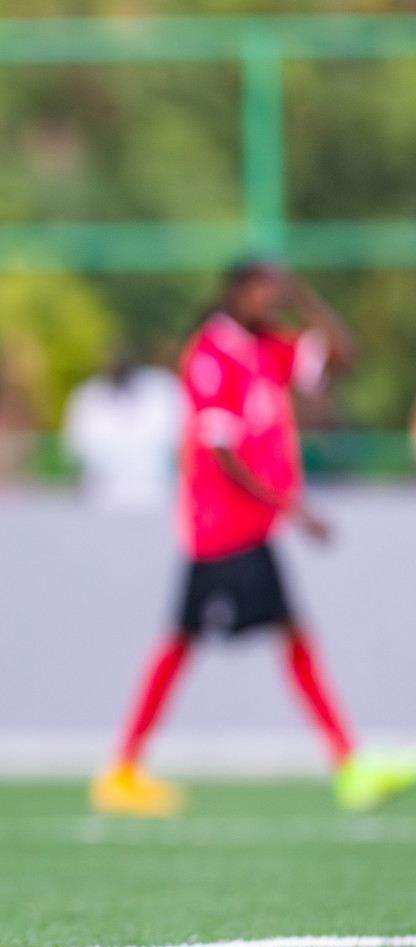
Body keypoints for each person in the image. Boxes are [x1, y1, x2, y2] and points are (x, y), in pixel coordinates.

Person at [91, 263, 414, 817]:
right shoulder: (212, 354)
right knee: (227, 640)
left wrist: (306, 298)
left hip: (248, 530)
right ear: (237, 292)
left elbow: (344, 356)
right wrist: (290, 506)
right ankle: (346, 763)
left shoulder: (269, 348)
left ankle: (126, 767)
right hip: (221, 531)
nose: (272, 299)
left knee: (210, 641)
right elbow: (220, 449)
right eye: (265, 288)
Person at [63, 348, 183, 513]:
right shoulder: (88, 397)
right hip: (102, 499)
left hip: (156, 496)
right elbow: (76, 451)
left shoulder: (163, 391)